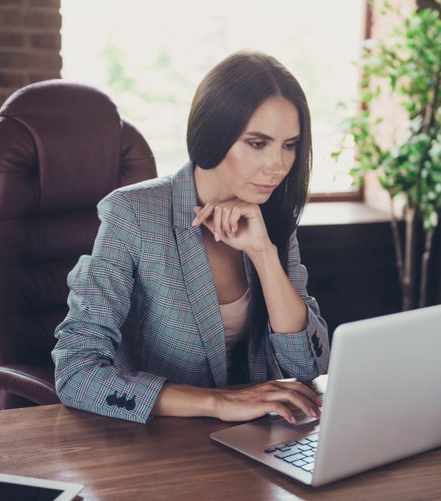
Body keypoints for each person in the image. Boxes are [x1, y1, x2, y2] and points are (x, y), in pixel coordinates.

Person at [52, 51, 330, 425]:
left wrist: (264, 255)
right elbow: (76, 373)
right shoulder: (132, 214)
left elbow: (309, 365)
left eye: (290, 145)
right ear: (213, 134)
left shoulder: (271, 217)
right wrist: (217, 402)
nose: (278, 166)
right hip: (156, 442)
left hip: (261, 437)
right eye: (258, 143)